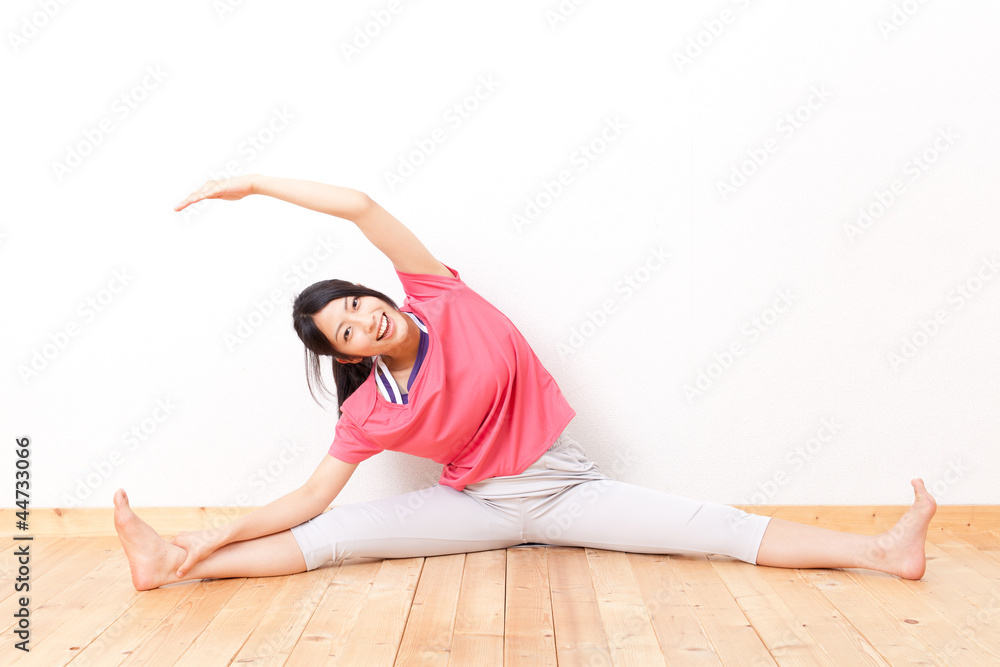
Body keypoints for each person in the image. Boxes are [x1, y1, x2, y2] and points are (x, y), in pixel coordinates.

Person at [113, 174, 937, 591]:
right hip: (473, 505)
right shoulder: (369, 410)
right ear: (349, 357)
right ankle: (172, 564)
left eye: (361, 303)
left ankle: (879, 549)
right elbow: (306, 502)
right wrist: (214, 534)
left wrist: (255, 183)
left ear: (378, 294)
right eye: (348, 332)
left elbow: (362, 205)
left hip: (560, 491)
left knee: (714, 527)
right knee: (335, 540)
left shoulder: (439, 294)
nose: (367, 320)